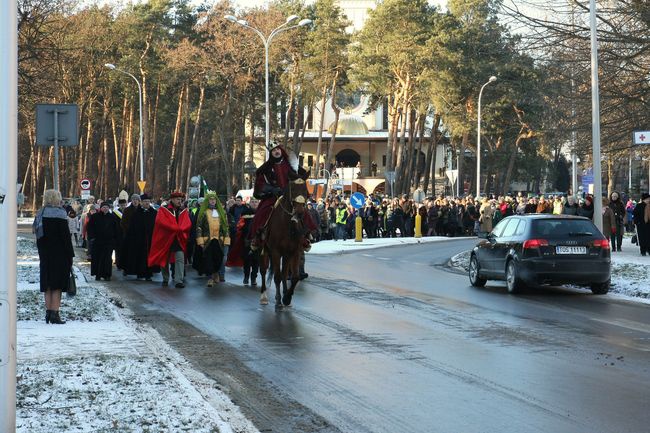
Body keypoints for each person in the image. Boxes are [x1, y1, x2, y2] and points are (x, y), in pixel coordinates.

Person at [250, 141, 316, 250]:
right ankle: (257, 238)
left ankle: (305, 236)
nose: (276, 151)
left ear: (281, 150)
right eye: (274, 150)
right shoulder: (266, 168)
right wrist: (272, 189)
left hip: (291, 195)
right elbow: (260, 184)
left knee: (302, 212)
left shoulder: (290, 164)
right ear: (271, 153)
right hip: (274, 196)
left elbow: (301, 179)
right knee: (262, 212)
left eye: (278, 149)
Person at [33, 189, 74, 324]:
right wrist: (70, 255)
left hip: (45, 254)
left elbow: (38, 235)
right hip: (60, 254)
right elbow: (65, 237)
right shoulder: (60, 214)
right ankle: (55, 314)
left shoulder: (40, 213)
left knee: (48, 284)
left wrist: (42, 252)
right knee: (57, 285)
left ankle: (48, 313)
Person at [148, 191, 192, 288]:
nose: (179, 201)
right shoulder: (164, 210)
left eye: (181, 200)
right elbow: (160, 222)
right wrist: (173, 227)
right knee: (165, 258)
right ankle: (165, 278)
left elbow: (187, 223)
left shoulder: (183, 210)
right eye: (177, 199)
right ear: (172, 199)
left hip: (178, 238)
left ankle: (178, 280)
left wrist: (182, 228)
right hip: (166, 238)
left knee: (180, 258)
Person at [196, 191, 230, 286]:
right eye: (210, 199)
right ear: (208, 201)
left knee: (219, 258)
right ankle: (210, 278)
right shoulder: (203, 213)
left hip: (219, 240)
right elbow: (199, 227)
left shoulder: (221, 212)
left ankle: (216, 273)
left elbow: (226, 227)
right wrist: (200, 240)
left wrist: (226, 240)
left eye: (214, 199)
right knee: (208, 259)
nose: (212, 201)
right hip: (208, 240)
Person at [121, 193, 158, 280]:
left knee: (149, 257)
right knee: (140, 257)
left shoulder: (154, 213)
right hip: (138, 239)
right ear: (141, 203)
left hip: (150, 239)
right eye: (145, 201)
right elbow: (132, 226)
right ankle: (140, 273)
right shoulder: (137, 213)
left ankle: (149, 274)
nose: (147, 203)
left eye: (148, 201)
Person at [87, 202, 121, 281]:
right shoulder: (95, 216)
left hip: (109, 242)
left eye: (107, 207)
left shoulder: (112, 217)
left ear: (109, 208)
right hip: (98, 241)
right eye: (104, 207)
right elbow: (90, 228)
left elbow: (116, 229)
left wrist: (115, 240)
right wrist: (92, 238)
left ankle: (107, 275)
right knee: (97, 258)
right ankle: (98, 274)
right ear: (101, 208)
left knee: (107, 259)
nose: (105, 209)